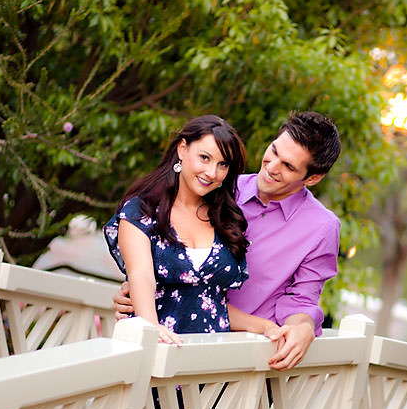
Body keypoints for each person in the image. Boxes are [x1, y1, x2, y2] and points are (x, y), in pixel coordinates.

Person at [112, 111, 342, 370]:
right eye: (274, 151)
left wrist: (302, 327)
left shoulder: (322, 227)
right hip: (172, 346)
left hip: (245, 360)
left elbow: (302, 300)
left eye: (288, 166)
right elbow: (166, 251)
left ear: (312, 178)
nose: (272, 167)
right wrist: (140, 296)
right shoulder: (219, 188)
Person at [104, 114, 249, 344]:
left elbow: (213, 302)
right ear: (183, 149)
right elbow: (141, 276)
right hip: (158, 353)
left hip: (212, 364)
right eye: (204, 157)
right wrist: (152, 331)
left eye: (222, 164)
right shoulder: (141, 212)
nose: (212, 172)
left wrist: (267, 327)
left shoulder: (225, 219)